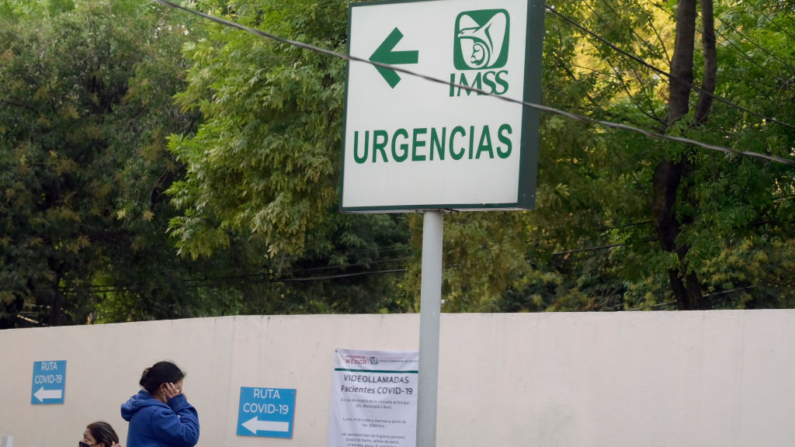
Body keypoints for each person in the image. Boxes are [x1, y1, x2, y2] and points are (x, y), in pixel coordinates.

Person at [121, 361, 200, 447]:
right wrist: (181, 404)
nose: (180, 394)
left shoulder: (143, 407)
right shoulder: (157, 413)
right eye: (177, 389)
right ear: (163, 387)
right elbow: (190, 436)